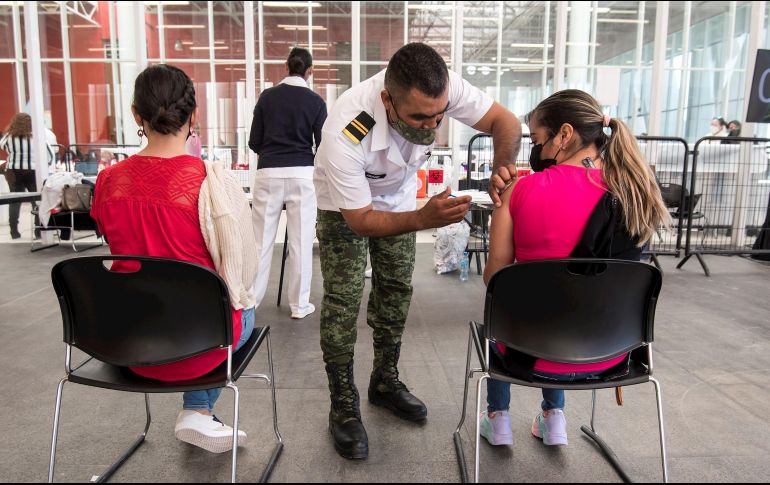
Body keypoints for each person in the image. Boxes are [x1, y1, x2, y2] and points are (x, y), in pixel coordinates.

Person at [314, 42, 521, 460]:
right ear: (388, 100)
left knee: (395, 292)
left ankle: (385, 381)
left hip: (400, 200)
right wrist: (425, 219)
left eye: (439, 114)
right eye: (420, 117)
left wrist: (502, 164)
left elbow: (506, 121)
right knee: (343, 300)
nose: (432, 126)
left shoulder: (442, 90)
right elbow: (360, 220)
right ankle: (343, 403)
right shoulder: (347, 127)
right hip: (344, 207)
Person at [480, 89, 669, 448]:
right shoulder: (637, 193)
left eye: (537, 139)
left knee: (508, 307)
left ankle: (498, 418)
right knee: (571, 301)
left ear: (564, 135)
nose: (536, 149)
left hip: (527, 354)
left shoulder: (517, 192)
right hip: (615, 355)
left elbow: (495, 281)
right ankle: (554, 419)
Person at [90, 64, 258, 454]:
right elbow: (243, 272)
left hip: (127, 342)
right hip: (201, 347)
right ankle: (198, 409)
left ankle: (199, 412)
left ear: (137, 115)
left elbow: (116, 242)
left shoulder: (108, 181)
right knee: (243, 301)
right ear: (193, 116)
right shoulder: (212, 181)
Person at [248, 47, 327, 319]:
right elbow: (323, 144)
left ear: (286, 66)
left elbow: (253, 142)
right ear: (310, 70)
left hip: (268, 172)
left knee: (260, 242)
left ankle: (251, 302)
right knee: (301, 243)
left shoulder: (267, 98)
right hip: (303, 175)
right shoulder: (316, 102)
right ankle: (299, 305)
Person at [0, 113, 55, 239]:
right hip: (32, 171)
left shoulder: (9, 136)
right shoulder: (37, 136)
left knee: (14, 201)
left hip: (13, 171)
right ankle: (37, 230)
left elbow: (2, 145)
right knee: (36, 200)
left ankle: (14, 231)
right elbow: (50, 154)